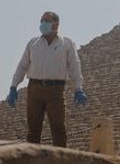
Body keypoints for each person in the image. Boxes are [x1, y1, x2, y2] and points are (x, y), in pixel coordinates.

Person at [6, 11, 87, 147]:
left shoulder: (66, 43)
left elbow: (75, 67)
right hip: (34, 90)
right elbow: (22, 66)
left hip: (55, 90)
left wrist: (79, 88)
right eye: (41, 20)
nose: (42, 24)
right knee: (33, 130)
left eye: (46, 21)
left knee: (58, 129)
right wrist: (13, 86)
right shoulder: (33, 43)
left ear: (56, 24)